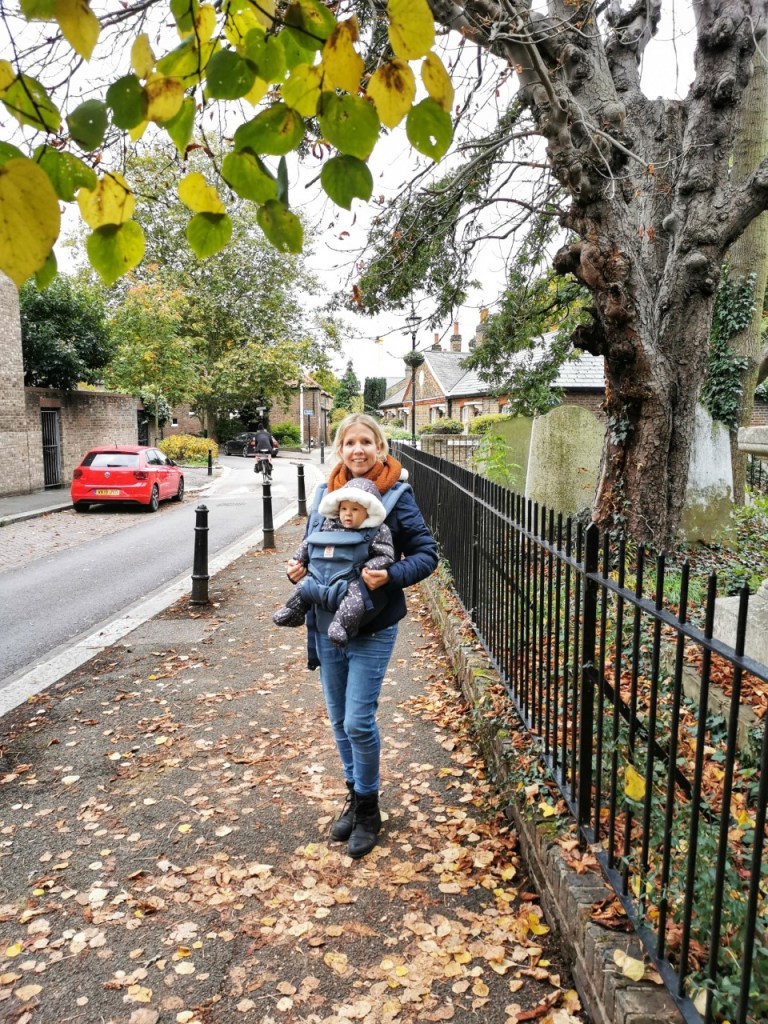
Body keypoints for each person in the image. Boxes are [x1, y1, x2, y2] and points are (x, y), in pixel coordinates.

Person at [285, 413, 438, 858]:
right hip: (324, 623)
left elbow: (427, 555)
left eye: (366, 441)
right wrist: (297, 570)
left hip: (373, 626)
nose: (358, 449)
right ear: (340, 449)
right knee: (338, 721)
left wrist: (389, 575)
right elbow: (313, 548)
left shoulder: (397, 495)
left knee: (357, 721)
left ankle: (369, 809)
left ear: (380, 447)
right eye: (350, 442)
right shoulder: (324, 493)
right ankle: (355, 797)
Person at [273, 478, 395, 647]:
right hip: (319, 575)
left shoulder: (378, 530)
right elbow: (309, 542)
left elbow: (386, 555)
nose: (348, 514)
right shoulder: (328, 524)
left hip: (350, 579)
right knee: (303, 586)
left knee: (355, 599)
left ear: (368, 511)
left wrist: (370, 567)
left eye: (355, 509)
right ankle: (293, 611)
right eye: (344, 509)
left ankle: (341, 626)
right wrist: (298, 559)